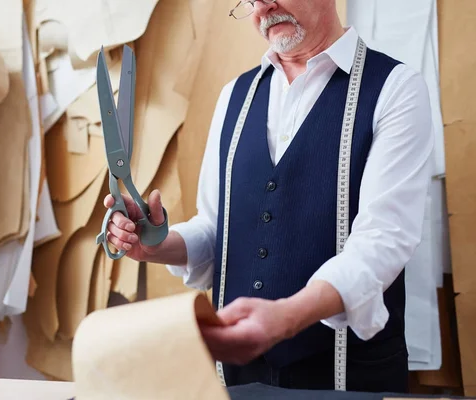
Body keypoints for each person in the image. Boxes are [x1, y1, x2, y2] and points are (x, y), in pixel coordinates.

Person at [103, 0, 433, 393]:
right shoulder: (234, 97)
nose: (265, 6)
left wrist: (288, 317)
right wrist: (155, 245)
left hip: (347, 379)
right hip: (239, 381)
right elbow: (218, 228)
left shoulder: (395, 89)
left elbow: (384, 240)